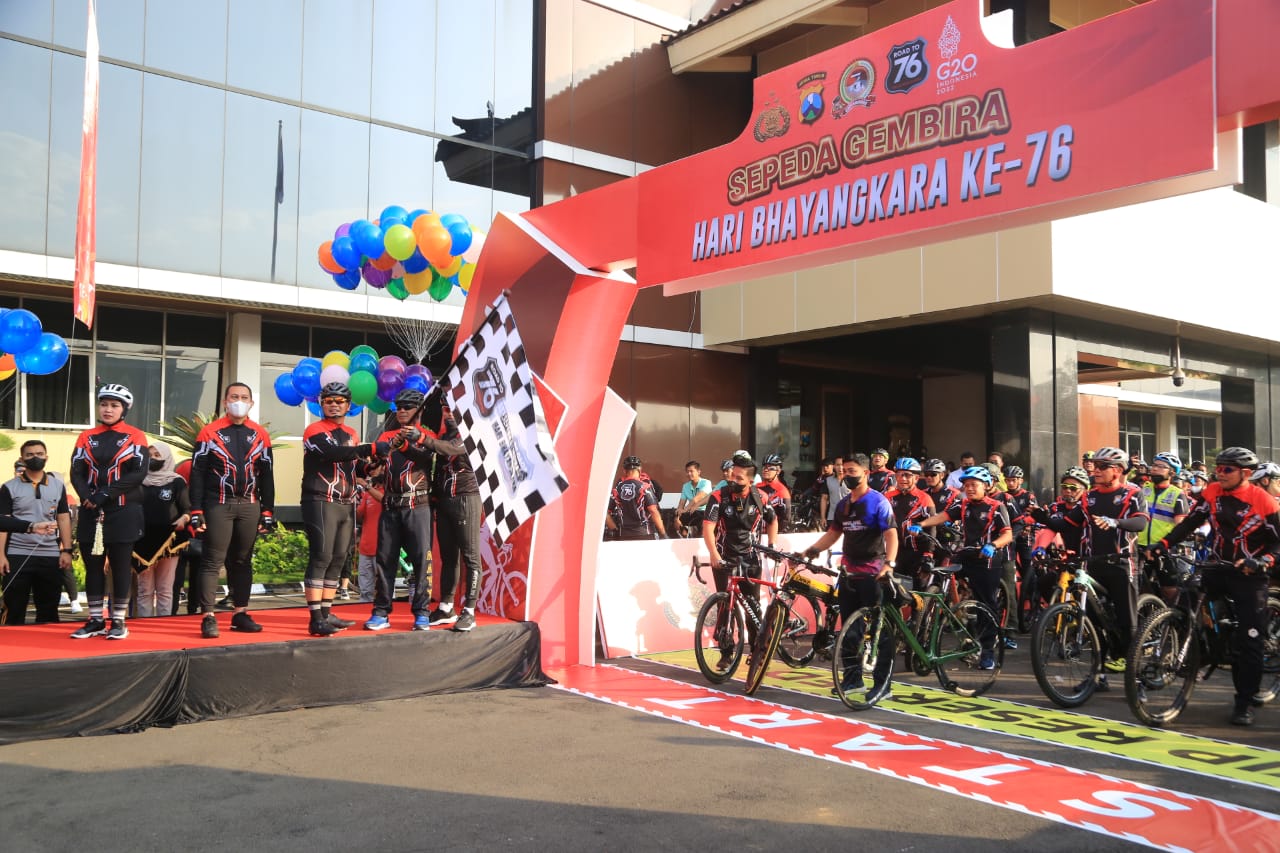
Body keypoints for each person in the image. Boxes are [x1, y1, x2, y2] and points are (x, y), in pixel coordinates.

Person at [1146, 447, 1280, 726]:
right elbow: (1190, 523)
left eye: (1227, 469)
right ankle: (1198, 652)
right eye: (1218, 468)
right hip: (1217, 567)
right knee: (1187, 598)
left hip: (1249, 575)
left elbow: (1277, 544)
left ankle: (1244, 702)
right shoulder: (1212, 492)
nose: (1220, 473)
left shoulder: (1264, 501)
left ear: (1246, 473)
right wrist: (1164, 544)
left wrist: (1261, 561)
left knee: (1248, 642)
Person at [803, 453, 899, 695]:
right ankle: (853, 680)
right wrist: (812, 550)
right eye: (844, 471)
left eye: (852, 471)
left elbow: (891, 535)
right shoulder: (844, 504)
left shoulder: (878, 502)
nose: (846, 475)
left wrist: (889, 564)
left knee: (880, 632)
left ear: (866, 473)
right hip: (848, 574)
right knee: (849, 631)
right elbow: (833, 533)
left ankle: (882, 684)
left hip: (874, 574)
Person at [366, 388, 459, 631]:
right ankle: (380, 612)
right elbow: (375, 467)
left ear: (420, 409)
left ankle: (422, 612)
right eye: (398, 406)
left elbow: (425, 459)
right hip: (390, 506)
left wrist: (405, 444)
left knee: (422, 561)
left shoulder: (427, 436)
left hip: (418, 506)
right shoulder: (387, 435)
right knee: (385, 560)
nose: (402, 410)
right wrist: (372, 465)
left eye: (408, 406)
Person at [190, 382, 275, 639]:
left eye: (244, 397)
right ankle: (208, 616)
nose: (239, 401)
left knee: (242, 560)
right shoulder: (209, 433)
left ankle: (240, 614)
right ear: (225, 402)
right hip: (218, 504)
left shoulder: (260, 434)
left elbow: (267, 475)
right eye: (234, 396)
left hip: (250, 504)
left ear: (251, 402)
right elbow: (197, 474)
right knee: (212, 561)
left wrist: (268, 511)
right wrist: (196, 510)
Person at [69, 384, 149, 640]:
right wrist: (87, 497)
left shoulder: (136, 436)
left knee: (120, 566)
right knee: (93, 566)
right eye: (104, 404)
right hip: (91, 511)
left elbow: (138, 473)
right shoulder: (86, 436)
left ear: (124, 409)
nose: (108, 409)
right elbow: (76, 472)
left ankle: (118, 621)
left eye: (114, 405)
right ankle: (95, 620)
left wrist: (106, 494)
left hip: (123, 511)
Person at [912, 465, 1011, 669]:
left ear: (986, 486)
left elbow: (1007, 534)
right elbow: (944, 516)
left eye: (974, 485)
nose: (970, 488)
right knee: (941, 576)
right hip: (967, 554)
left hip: (987, 559)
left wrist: (993, 545)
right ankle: (952, 613)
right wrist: (922, 524)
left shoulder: (996, 506)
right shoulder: (964, 504)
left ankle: (988, 651)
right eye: (966, 485)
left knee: (987, 604)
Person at [301, 381, 378, 636]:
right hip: (321, 500)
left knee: (338, 558)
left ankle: (326, 613)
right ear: (321, 404)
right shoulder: (314, 430)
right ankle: (315, 618)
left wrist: (371, 465)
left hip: (346, 502)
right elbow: (331, 453)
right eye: (329, 401)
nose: (334, 405)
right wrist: (368, 448)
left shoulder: (351, 433)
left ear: (348, 405)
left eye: (339, 401)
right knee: (321, 557)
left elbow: (353, 466)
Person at [702, 451, 778, 666]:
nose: (733, 480)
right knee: (725, 605)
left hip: (750, 559)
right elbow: (708, 528)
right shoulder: (719, 496)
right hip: (724, 557)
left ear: (751, 481)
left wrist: (771, 545)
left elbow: (773, 520)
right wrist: (714, 554)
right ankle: (726, 652)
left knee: (752, 606)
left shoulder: (761, 497)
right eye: (732, 475)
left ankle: (756, 649)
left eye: (739, 478)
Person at [1080, 446, 1149, 673]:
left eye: (1102, 467)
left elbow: (1140, 522)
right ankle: (1097, 675)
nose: (1095, 470)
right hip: (1095, 563)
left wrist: (1115, 522)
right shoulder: (1089, 496)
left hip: (1122, 563)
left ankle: (1132, 670)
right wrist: (1042, 518)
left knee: (1126, 619)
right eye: (1094, 466)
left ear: (1117, 470)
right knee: (1094, 620)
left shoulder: (1133, 493)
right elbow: (1071, 521)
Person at [0, 441, 73, 625]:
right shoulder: (8, 487)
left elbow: (64, 518)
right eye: (30, 454)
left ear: (46, 457)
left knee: (49, 609)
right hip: (17, 553)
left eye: (39, 454)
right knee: (14, 607)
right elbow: (3, 523)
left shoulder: (58, 485)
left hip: (50, 554)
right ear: (22, 459)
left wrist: (67, 550)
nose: (35, 457)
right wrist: (1, 555)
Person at [428, 400, 481, 633]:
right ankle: (446, 608)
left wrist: (422, 439)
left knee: (470, 557)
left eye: (454, 408)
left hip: (466, 498)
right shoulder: (445, 435)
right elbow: (439, 468)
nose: (449, 413)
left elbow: (449, 449)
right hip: (445, 502)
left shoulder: (472, 430)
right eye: (446, 409)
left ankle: (469, 611)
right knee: (449, 557)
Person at [133, 443, 190, 618]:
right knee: (145, 589)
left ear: (166, 458)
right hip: (143, 542)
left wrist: (184, 518)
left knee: (165, 589)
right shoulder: (138, 481)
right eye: (149, 455)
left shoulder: (177, 481)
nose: (152, 459)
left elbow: (187, 508)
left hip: (169, 542)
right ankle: (145, 625)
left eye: (157, 455)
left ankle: (163, 623)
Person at [881, 457, 935, 585]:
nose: (902, 478)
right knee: (891, 589)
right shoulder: (887, 497)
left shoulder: (924, 498)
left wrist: (928, 554)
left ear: (916, 478)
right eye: (899, 474)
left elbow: (932, 528)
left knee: (915, 591)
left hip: (916, 552)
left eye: (907, 475)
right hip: (893, 551)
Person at [1000, 465, 1040, 633]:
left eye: (1013, 480)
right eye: (1008, 480)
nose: (1010, 483)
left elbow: (1034, 514)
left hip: (1024, 536)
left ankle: (1033, 599)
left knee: (1027, 568)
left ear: (1020, 481)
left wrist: (1025, 523)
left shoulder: (1028, 496)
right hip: (1009, 536)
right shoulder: (1003, 496)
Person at [606, 456, 666, 540]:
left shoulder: (616, 489)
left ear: (624, 471)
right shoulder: (645, 487)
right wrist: (663, 533)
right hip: (646, 534)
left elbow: (606, 514)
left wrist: (615, 530)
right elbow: (653, 511)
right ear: (640, 470)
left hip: (624, 535)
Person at [354, 458, 385, 603]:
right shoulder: (368, 493)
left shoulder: (388, 491)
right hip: (365, 548)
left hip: (383, 548)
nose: (372, 472)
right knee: (365, 590)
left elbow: (384, 500)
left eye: (375, 468)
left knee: (384, 587)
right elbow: (359, 516)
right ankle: (363, 608)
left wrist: (366, 486)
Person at [674, 461, 712, 535]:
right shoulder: (685, 486)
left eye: (691, 471)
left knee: (703, 521)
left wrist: (685, 509)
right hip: (692, 512)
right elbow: (682, 502)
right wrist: (678, 513)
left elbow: (697, 498)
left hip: (705, 512)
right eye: (687, 471)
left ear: (699, 472)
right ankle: (685, 537)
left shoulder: (706, 482)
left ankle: (701, 536)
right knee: (676, 519)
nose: (689, 474)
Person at [755, 454, 792, 529]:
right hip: (755, 531)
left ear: (778, 471)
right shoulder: (756, 487)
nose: (765, 470)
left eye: (770, 468)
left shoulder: (782, 491)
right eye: (764, 467)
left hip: (771, 532)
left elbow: (785, 519)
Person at [822, 455, 850, 524]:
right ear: (834, 466)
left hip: (848, 518)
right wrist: (823, 517)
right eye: (838, 465)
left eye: (842, 465)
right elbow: (824, 498)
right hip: (832, 517)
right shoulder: (828, 480)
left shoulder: (851, 479)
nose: (840, 467)